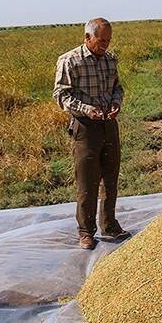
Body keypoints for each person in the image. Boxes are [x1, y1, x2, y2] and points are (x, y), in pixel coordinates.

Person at [53, 18, 131, 250]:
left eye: (108, 40)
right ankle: (86, 232)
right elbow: (61, 95)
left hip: (109, 124)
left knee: (111, 178)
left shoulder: (110, 60)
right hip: (85, 127)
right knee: (87, 182)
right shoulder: (70, 61)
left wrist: (116, 103)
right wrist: (87, 109)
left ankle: (109, 225)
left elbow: (117, 88)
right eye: (101, 40)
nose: (105, 45)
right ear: (87, 37)